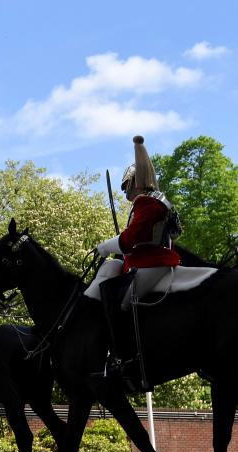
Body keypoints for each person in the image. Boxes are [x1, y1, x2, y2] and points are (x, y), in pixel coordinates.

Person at [95, 135, 182, 382]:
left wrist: (105, 246)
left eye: (127, 186)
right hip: (148, 259)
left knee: (118, 300)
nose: (125, 192)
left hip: (151, 262)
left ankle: (123, 357)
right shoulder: (156, 202)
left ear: (136, 182)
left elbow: (130, 239)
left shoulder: (148, 202)